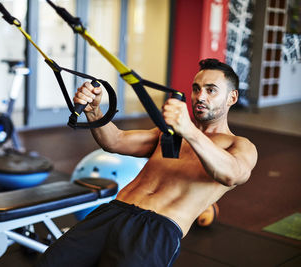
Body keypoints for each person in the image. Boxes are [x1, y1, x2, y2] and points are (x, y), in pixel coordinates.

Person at [35, 58, 258, 267]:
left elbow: (232, 174)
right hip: (111, 213)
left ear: (232, 97)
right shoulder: (169, 134)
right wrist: (94, 111)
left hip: (155, 232)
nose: (200, 97)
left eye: (211, 90)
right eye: (196, 88)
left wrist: (190, 131)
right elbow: (114, 141)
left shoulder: (239, 145)